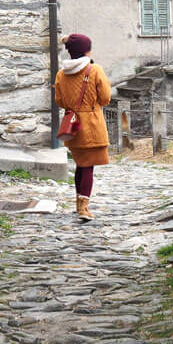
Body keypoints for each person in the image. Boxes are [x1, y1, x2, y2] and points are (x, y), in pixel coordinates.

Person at [54, 33, 111, 221]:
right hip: (92, 124)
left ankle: (79, 203)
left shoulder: (61, 74)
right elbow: (105, 98)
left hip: (73, 126)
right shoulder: (94, 70)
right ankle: (84, 208)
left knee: (80, 164)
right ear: (86, 50)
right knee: (87, 167)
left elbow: (60, 101)